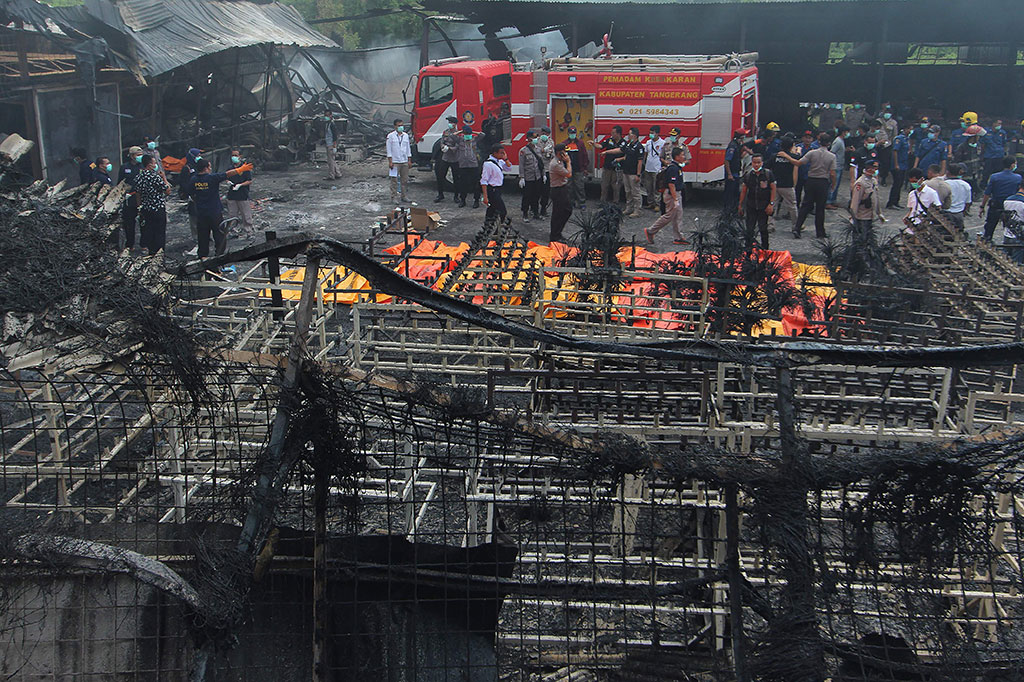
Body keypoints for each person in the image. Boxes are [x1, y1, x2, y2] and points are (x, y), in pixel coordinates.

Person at [186, 158, 253, 258]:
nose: (210, 168)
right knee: (219, 235)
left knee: (203, 236)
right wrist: (240, 170)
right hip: (214, 212)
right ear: (205, 168)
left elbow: (191, 194)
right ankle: (219, 255)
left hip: (201, 212)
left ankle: (203, 256)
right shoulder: (211, 178)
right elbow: (227, 174)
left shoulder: (194, 180)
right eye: (209, 166)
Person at [787, 132, 836, 239]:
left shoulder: (812, 153)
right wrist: (833, 184)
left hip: (811, 180)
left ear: (818, 141)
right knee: (820, 208)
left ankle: (797, 228)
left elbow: (799, 163)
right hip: (823, 182)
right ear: (828, 143)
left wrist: (788, 157)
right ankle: (820, 232)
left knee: (805, 205)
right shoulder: (832, 156)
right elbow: (832, 173)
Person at [643, 147, 689, 246]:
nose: (683, 157)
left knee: (678, 216)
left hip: (676, 193)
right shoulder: (673, 169)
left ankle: (678, 237)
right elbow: (671, 185)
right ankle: (651, 231)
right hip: (672, 194)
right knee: (669, 216)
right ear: (677, 157)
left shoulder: (677, 167)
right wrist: (675, 199)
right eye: (682, 155)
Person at [737, 153, 777, 249]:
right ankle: (748, 250)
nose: (756, 165)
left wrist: (771, 204)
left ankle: (765, 249)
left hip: (764, 206)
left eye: (758, 162)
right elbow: (744, 190)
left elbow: (773, 189)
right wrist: (740, 205)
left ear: (762, 163)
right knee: (749, 230)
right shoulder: (748, 175)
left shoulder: (768, 174)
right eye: (754, 162)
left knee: (763, 229)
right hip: (751, 206)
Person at [979, 157, 1023, 242]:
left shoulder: (994, 177)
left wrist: (982, 206)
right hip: (1009, 206)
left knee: (990, 227)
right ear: (1012, 165)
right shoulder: (1017, 178)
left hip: (995, 205)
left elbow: (987, 193)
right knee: (1012, 228)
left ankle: (986, 243)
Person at [135, 154, 170, 255]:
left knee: (149, 231)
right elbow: (167, 191)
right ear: (150, 164)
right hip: (157, 208)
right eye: (154, 163)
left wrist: (139, 207)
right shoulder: (154, 177)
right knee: (159, 233)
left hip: (146, 208)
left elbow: (138, 194)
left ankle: (151, 253)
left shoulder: (139, 177)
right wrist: (164, 178)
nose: (156, 165)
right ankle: (159, 254)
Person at [118, 145, 144, 251]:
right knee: (129, 223)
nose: (140, 157)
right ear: (132, 156)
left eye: (141, 155)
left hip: (142, 198)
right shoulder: (125, 167)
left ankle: (144, 244)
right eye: (138, 155)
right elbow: (120, 183)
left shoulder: (143, 166)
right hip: (129, 199)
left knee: (143, 222)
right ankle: (130, 245)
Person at [771, 137, 799, 230]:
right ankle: (796, 226)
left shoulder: (775, 156)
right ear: (791, 146)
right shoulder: (793, 157)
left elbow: (766, 165)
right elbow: (799, 160)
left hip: (775, 184)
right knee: (792, 207)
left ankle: (770, 225)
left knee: (772, 205)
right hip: (787, 185)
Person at [849, 160, 884, 234]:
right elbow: (855, 201)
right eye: (874, 168)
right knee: (861, 238)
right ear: (869, 169)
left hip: (870, 215)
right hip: (862, 215)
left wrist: (879, 213)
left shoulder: (873, 181)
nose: (876, 170)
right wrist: (853, 216)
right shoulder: (860, 183)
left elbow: (876, 198)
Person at [518, 130, 546, 222]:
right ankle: (525, 213)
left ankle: (535, 212)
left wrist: (544, 175)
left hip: (537, 176)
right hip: (528, 177)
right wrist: (522, 177)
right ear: (529, 138)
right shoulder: (523, 151)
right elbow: (521, 165)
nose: (536, 139)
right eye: (534, 137)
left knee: (536, 195)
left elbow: (541, 163)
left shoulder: (538, 149)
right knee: (527, 196)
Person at [225, 150, 254, 237]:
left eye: (236, 155)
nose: (234, 157)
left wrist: (240, 185)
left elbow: (249, 181)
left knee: (246, 215)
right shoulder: (230, 168)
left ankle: (249, 232)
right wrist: (228, 182)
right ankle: (232, 231)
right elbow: (226, 176)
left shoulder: (245, 168)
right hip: (232, 195)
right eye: (232, 155)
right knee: (232, 214)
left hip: (242, 195)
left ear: (240, 156)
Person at [548, 143, 573, 242]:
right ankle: (555, 235)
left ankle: (557, 233)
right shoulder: (555, 164)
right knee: (557, 214)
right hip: (557, 190)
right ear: (560, 153)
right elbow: (569, 174)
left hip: (562, 188)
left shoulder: (559, 160)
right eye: (564, 151)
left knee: (566, 211)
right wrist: (568, 162)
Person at [481, 144, 511, 224]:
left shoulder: (500, 161)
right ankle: (497, 227)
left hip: (498, 189)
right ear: (494, 153)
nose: (502, 154)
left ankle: (488, 226)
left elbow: (509, 168)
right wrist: (485, 197)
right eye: (501, 153)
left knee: (492, 209)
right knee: (502, 211)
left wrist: (506, 159)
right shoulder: (488, 164)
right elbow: (484, 181)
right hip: (492, 190)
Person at [564, 125, 590, 210]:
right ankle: (570, 202)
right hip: (568, 169)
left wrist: (585, 168)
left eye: (574, 133)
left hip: (578, 169)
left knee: (580, 187)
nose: (572, 134)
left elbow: (584, 155)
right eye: (571, 133)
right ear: (568, 133)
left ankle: (582, 203)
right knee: (569, 187)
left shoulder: (580, 143)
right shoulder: (565, 143)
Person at [386, 118, 412, 204]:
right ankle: (394, 197)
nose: (401, 127)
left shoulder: (405, 136)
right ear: (395, 126)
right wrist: (390, 161)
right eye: (399, 125)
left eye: (402, 125)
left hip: (404, 161)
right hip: (395, 161)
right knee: (394, 180)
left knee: (404, 180)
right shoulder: (390, 136)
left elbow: (408, 148)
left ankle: (404, 196)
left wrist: (409, 160)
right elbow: (389, 149)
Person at [454, 125, 481, 208]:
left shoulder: (474, 140)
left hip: (473, 164)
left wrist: (472, 132)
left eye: (468, 134)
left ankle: (476, 200)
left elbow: (482, 134)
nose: (467, 135)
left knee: (476, 184)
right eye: (466, 134)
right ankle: (463, 200)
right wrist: (461, 132)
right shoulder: (460, 140)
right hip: (463, 165)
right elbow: (452, 136)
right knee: (463, 184)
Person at [887, 122, 911, 209]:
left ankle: (896, 201)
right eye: (909, 129)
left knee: (900, 184)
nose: (910, 131)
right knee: (896, 184)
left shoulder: (906, 139)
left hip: (904, 164)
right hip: (898, 165)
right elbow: (895, 151)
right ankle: (891, 202)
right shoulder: (899, 139)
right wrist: (896, 164)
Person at [954, 124, 985, 190]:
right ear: (973, 137)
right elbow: (957, 161)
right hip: (965, 176)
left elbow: (981, 159)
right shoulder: (962, 147)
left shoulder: (978, 146)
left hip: (975, 174)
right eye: (977, 136)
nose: (978, 138)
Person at [436, 116, 460, 203]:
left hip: (454, 158)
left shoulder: (458, 133)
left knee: (456, 178)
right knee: (440, 176)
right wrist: (443, 146)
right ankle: (440, 195)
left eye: (451, 122)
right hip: (445, 158)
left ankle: (456, 196)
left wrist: (450, 148)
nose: (450, 124)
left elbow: (458, 145)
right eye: (449, 122)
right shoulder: (446, 132)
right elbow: (442, 141)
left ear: (455, 124)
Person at [599, 125, 625, 203]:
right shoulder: (609, 140)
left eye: (613, 133)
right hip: (607, 167)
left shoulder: (623, 143)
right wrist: (594, 144)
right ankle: (602, 201)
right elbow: (601, 146)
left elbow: (621, 152)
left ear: (618, 133)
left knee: (616, 186)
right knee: (604, 185)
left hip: (617, 169)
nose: (612, 134)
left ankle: (615, 202)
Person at [621, 127, 644, 217]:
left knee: (635, 192)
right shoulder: (629, 145)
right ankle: (629, 208)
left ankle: (637, 210)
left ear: (634, 135)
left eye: (629, 134)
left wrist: (638, 174)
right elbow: (623, 153)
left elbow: (640, 162)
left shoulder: (639, 147)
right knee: (628, 191)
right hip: (626, 172)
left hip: (633, 173)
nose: (628, 136)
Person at [642, 126, 665, 209]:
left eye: (652, 133)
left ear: (657, 133)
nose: (651, 134)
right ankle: (650, 203)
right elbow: (646, 154)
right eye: (650, 132)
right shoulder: (648, 142)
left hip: (657, 168)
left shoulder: (662, 143)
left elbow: (664, 156)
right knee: (649, 187)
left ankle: (657, 204)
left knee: (657, 187)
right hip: (648, 168)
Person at [944, 163, 973, 231]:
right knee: (959, 233)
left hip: (946, 213)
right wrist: (964, 211)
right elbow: (968, 202)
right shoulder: (966, 185)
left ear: (948, 172)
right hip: (959, 214)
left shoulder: (944, 184)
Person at [723, 128, 746, 212]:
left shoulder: (737, 145)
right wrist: (729, 174)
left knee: (735, 194)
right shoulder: (732, 146)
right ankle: (727, 212)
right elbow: (727, 160)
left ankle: (734, 211)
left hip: (735, 173)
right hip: (732, 174)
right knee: (730, 195)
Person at [1001, 180, 1024, 263]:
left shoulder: (1007, 200)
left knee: (1004, 259)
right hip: (1020, 237)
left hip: (1007, 233)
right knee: (1016, 264)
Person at [826, 126, 848, 208]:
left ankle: (833, 200)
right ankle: (828, 201)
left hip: (840, 165)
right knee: (833, 184)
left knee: (837, 185)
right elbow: (832, 152)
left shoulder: (841, 141)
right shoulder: (838, 141)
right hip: (836, 166)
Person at [536, 127, 554, 217]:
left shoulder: (550, 142)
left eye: (547, 134)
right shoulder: (536, 142)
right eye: (545, 133)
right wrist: (543, 150)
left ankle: (543, 208)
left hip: (547, 169)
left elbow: (553, 154)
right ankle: (534, 209)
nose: (546, 135)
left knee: (546, 191)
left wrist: (550, 153)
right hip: (538, 169)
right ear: (541, 132)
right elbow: (536, 152)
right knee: (536, 190)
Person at [794, 130, 815, 206]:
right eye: (806, 138)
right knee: (797, 192)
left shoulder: (815, 149)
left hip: (809, 174)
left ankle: (808, 208)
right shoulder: (798, 147)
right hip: (799, 173)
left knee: (809, 193)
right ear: (802, 138)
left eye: (809, 138)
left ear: (812, 139)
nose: (807, 140)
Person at [323, 112, 340, 181]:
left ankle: (331, 175)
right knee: (332, 160)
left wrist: (334, 146)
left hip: (331, 144)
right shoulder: (328, 124)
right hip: (328, 143)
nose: (326, 117)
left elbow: (335, 136)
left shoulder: (332, 125)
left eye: (327, 115)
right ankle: (338, 173)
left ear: (330, 115)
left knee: (330, 161)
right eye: (325, 115)